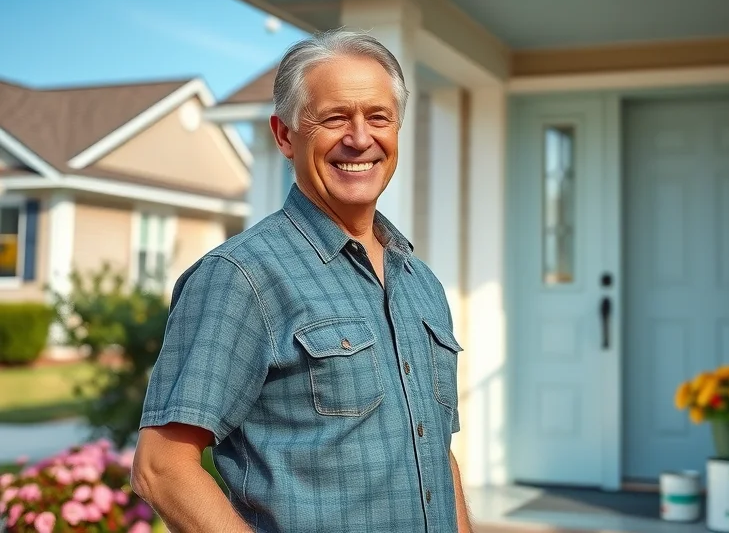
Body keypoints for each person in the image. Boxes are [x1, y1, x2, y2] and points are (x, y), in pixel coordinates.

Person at [130, 29, 473, 533]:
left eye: (378, 117)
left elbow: (434, 452)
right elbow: (161, 468)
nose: (360, 138)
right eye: (334, 117)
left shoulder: (421, 283)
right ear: (285, 136)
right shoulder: (242, 277)